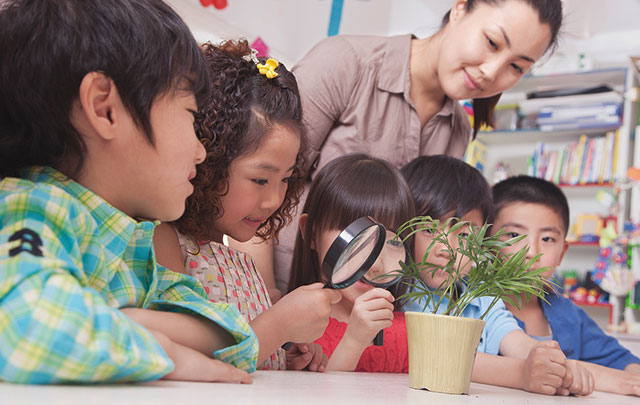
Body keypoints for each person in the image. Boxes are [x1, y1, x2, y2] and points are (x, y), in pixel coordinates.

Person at [0, 0, 257, 384]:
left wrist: (132, 321)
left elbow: (235, 334)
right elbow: (26, 327)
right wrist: (166, 351)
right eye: (190, 115)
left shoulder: (133, 245)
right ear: (104, 108)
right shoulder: (31, 207)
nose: (201, 150)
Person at [240, 0, 565, 298]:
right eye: (492, 43)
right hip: (286, 293)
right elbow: (262, 189)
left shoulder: (458, 132)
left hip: (369, 314)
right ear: (460, 9)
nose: (491, 71)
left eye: (517, 67)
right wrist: (266, 295)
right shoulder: (347, 64)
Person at [289, 154, 591, 396]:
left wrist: (540, 366)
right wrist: (354, 339)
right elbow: (325, 393)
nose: (374, 262)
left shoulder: (400, 325)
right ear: (309, 233)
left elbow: (455, 362)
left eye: (391, 241)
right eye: (353, 238)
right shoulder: (298, 316)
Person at [153, 40, 341, 372]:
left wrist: (282, 353)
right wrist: (278, 326)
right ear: (207, 161)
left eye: (286, 179)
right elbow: (179, 358)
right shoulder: (164, 238)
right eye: (260, 180)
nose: (274, 200)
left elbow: (249, 351)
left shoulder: (240, 263)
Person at [492, 176, 640, 395]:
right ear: (484, 242)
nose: (531, 252)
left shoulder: (569, 315)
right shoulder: (473, 306)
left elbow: (622, 360)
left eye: (548, 239)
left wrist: (632, 376)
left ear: (562, 252)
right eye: (514, 235)